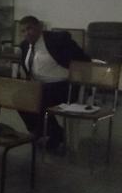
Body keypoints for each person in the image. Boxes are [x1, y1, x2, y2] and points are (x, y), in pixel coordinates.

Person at [18, 15, 90, 150]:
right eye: (22, 31)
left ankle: (48, 134)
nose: (27, 33)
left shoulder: (58, 40)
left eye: (30, 28)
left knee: (39, 96)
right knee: (17, 97)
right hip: (40, 86)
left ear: (39, 27)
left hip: (64, 86)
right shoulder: (24, 46)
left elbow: (84, 61)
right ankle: (48, 132)